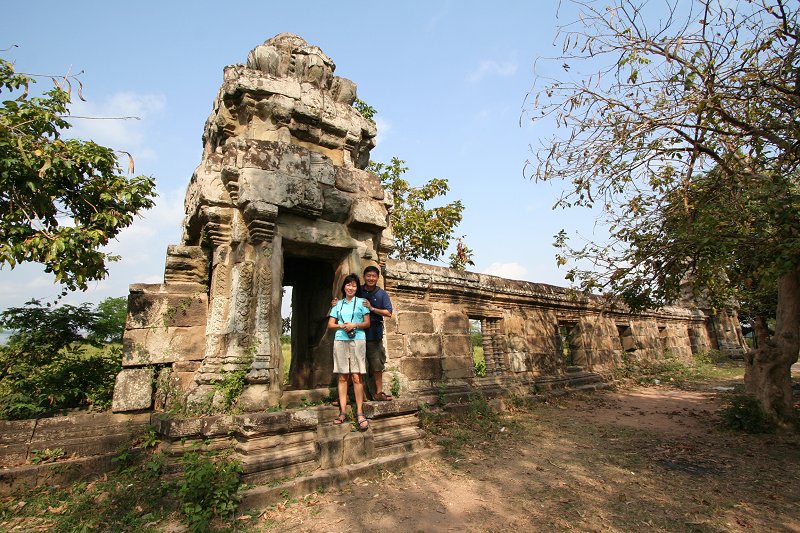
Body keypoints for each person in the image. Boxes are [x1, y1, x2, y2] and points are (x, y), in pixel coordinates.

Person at [327, 274, 371, 430]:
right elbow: (330, 325)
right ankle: (343, 412)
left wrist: (354, 325)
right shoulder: (337, 305)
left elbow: (367, 323)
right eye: (348, 285)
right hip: (340, 339)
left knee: (357, 376)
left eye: (354, 285)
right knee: (342, 376)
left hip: (358, 340)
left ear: (357, 288)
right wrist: (343, 326)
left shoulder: (362, 302)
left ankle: (359, 412)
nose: (351, 288)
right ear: (344, 286)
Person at [358, 265, 394, 401]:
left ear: (377, 278)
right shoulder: (358, 290)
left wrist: (372, 308)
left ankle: (379, 392)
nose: (371, 278)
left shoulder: (381, 294)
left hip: (374, 333)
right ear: (364, 277)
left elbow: (388, 312)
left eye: (374, 276)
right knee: (354, 364)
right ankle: (351, 394)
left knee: (376, 364)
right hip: (357, 332)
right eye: (368, 276)